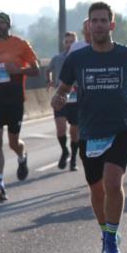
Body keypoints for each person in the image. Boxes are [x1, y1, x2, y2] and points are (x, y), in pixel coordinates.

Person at [53, 1, 127, 253]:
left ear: (112, 24)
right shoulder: (77, 58)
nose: (98, 25)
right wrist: (59, 97)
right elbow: (63, 88)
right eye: (93, 20)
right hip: (89, 131)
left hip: (121, 128)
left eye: (103, 20)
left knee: (112, 182)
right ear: (88, 25)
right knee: (96, 189)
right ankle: (106, 232)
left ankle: (110, 242)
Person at [0, 11, 40, 201]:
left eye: (2, 23)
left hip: (15, 99)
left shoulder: (21, 45)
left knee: (13, 142)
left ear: (8, 25)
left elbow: (36, 69)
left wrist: (19, 69)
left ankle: (22, 156)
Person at [48, 31, 80, 170]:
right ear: (63, 43)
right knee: (61, 130)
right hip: (60, 99)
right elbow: (47, 69)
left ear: (76, 43)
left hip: (76, 100)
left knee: (74, 132)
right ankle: (64, 151)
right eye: (67, 42)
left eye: (72, 42)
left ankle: (73, 159)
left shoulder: (81, 58)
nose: (69, 45)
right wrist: (49, 81)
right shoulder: (57, 58)